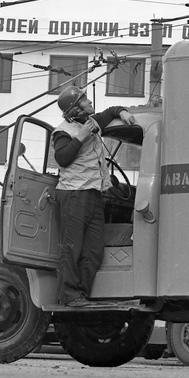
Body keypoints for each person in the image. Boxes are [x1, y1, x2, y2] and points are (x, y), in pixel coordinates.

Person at [52, 85, 141, 306]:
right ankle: (69, 295)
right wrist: (80, 137)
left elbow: (110, 111)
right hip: (73, 194)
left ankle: (81, 294)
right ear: (75, 109)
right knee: (72, 248)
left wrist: (122, 112)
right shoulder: (64, 132)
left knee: (93, 249)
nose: (89, 101)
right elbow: (62, 158)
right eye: (83, 99)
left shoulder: (91, 124)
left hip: (92, 194)